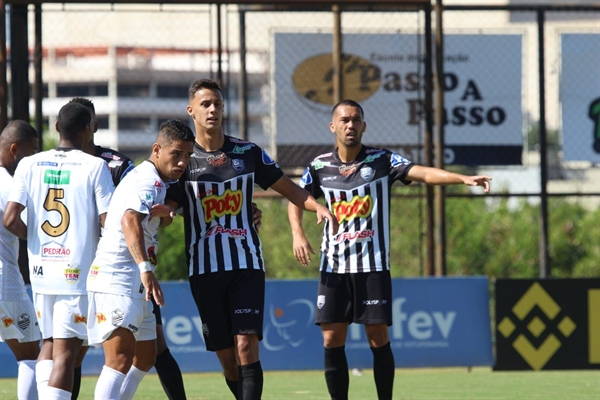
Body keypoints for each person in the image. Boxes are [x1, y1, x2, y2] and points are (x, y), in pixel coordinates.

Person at [288, 99, 492, 400]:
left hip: (372, 266)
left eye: (356, 119)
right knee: (331, 339)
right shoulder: (319, 166)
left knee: (378, 337)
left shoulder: (381, 160)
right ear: (333, 126)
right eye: (344, 120)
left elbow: (422, 173)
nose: (350, 125)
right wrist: (298, 234)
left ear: (364, 126)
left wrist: (462, 178)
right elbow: (295, 197)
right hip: (334, 267)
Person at [166, 78, 338, 400]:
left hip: (246, 264)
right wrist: (158, 216)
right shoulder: (183, 161)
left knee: (246, 344)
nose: (213, 109)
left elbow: (289, 188)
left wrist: (317, 206)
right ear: (191, 110)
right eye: (205, 104)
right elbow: (169, 207)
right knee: (228, 359)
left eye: (217, 103)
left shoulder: (247, 153)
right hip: (203, 270)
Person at [68, 97, 188, 400]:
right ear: (157, 149)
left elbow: (143, 218)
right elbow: (129, 218)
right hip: (117, 278)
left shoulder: (155, 182)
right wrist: (145, 269)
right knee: (118, 361)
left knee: (145, 357)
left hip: (134, 283)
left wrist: (163, 216)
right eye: (176, 154)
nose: (182, 163)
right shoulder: (147, 181)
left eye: (187, 156)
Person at [3, 103, 115, 400]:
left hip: (41, 274)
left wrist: (39, 241)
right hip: (75, 275)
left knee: (49, 346)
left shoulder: (29, 164)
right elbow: (108, 222)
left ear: (56, 128)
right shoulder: (95, 166)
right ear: (87, 130)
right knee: (66, 354)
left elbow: (10, 219)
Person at [0, 120, 41, 400]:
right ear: (15, 150)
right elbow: (16, 222)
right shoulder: (9, 185)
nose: (35, 157)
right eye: (32, 151)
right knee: (31, 354)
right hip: (6, 283)